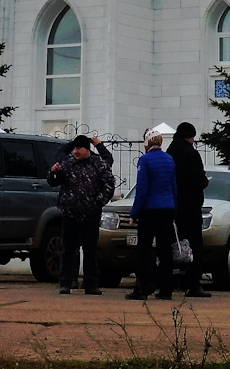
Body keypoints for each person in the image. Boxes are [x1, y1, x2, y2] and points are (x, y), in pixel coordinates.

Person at [48, 134, 116, 295]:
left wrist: (98, 202)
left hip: (91, 215)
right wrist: (53, 172)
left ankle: (91, 284)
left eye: (79, 148)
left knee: (90, 250)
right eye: (75, 148)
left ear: (87, 149)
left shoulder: (98, 164)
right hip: (70, 213)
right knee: (68, 250)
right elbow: (53, 182)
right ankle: (65, 283)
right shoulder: (68, 163)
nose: (76, 151)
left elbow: (108, 185)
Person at [127, 130, 178, 300]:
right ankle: (166, 290)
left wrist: (134, 213)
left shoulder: (145, 160)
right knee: (165, 250)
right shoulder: (169, 159)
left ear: (147, 143)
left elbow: (142, 190)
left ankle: (142, 288)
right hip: (167, 208)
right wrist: (174, 209)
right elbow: (173, 188)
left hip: (150, 210)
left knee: (144, 249)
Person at [168, 122, 211, 297]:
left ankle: (170, 282)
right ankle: (193, 284)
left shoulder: (169, 153)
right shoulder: (191, 154)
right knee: (194, 246)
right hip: (191, 207)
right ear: (190, 137)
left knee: (173, 244)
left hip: (172, 206)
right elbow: (200, 180)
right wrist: (205, 180)